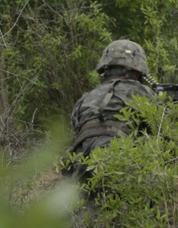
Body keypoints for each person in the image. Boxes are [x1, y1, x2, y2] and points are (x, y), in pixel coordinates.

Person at [65, 39, 155, 182]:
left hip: (84, 170)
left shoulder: (86, 98)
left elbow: (74, 137)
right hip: (124, 169)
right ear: (136, 71)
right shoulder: (144, 94)